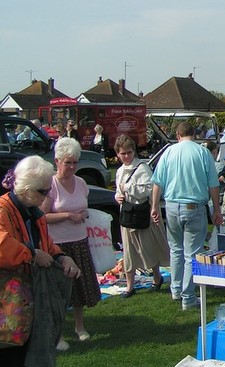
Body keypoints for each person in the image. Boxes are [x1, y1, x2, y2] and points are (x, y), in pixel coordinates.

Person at [0, 156, 79, 366]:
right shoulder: (2, 210)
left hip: (29, 301)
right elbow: (2, 246)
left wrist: (62, 257)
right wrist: (32, 254)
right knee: (11, 354)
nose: (47, 196)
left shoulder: (34, 214)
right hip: (8, 303)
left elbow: (46, 245)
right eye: (43, 192)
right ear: (26, 190)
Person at [151, 121, 223, 311]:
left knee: (175, 250)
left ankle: (176, 290)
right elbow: (213, 185)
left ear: (178, 134)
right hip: (194, 207)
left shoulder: (169, 152)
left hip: (172, 207)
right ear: (194, 134)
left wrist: (154, 207)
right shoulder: (203, 153)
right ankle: (188, 297)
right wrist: (217, 209)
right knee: (192, 254)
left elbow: (157, 182)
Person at [39, 137, 101, 351]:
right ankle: (58, 334)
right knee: (58, 292)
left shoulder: (81, 183)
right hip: (58, 245)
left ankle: (79, 326)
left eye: (75, 162)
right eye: (68, 162)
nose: (72, 166)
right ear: (57, 161)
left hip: (79, 241)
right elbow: (42, 216)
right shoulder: (51, 185)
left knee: (78, 290)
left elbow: (83, 207)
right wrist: (67, 215)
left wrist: (81, 214)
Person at [114, 135, 170, 298]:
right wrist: (117, 197)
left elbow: (149, 189)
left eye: (129, 153)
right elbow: (119, 190)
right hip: (127, 214)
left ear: (134, 152)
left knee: (148, 247)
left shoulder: (142, 168)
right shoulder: (119, 171)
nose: (126, 156)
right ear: (117, 154)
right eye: (123, 153)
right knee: (129, 251)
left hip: (143, 213)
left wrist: (128, 188)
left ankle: (157, 277)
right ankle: (130, 286)